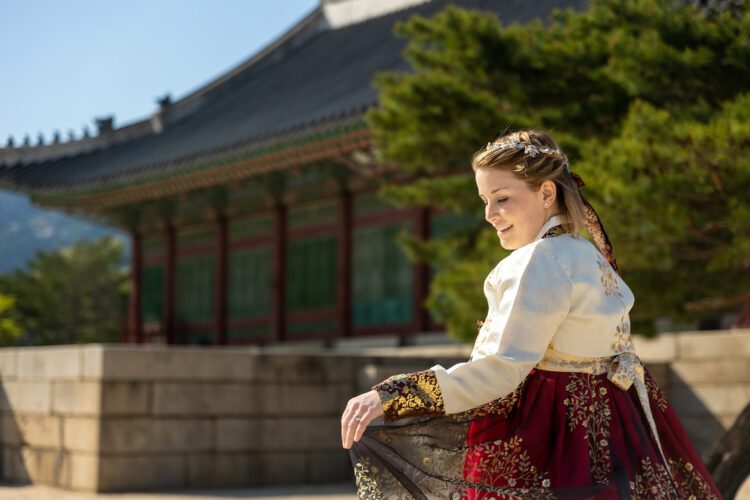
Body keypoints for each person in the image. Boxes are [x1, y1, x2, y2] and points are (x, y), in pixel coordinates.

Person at [341, 130, 723, 499]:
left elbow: (500, 368)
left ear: (546, 193)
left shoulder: (537, 262)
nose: (490, 214)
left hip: (549, 442)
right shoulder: (588, 255)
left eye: (502, 198)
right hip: (612, 431)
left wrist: (396, 396)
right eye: (484, 201)